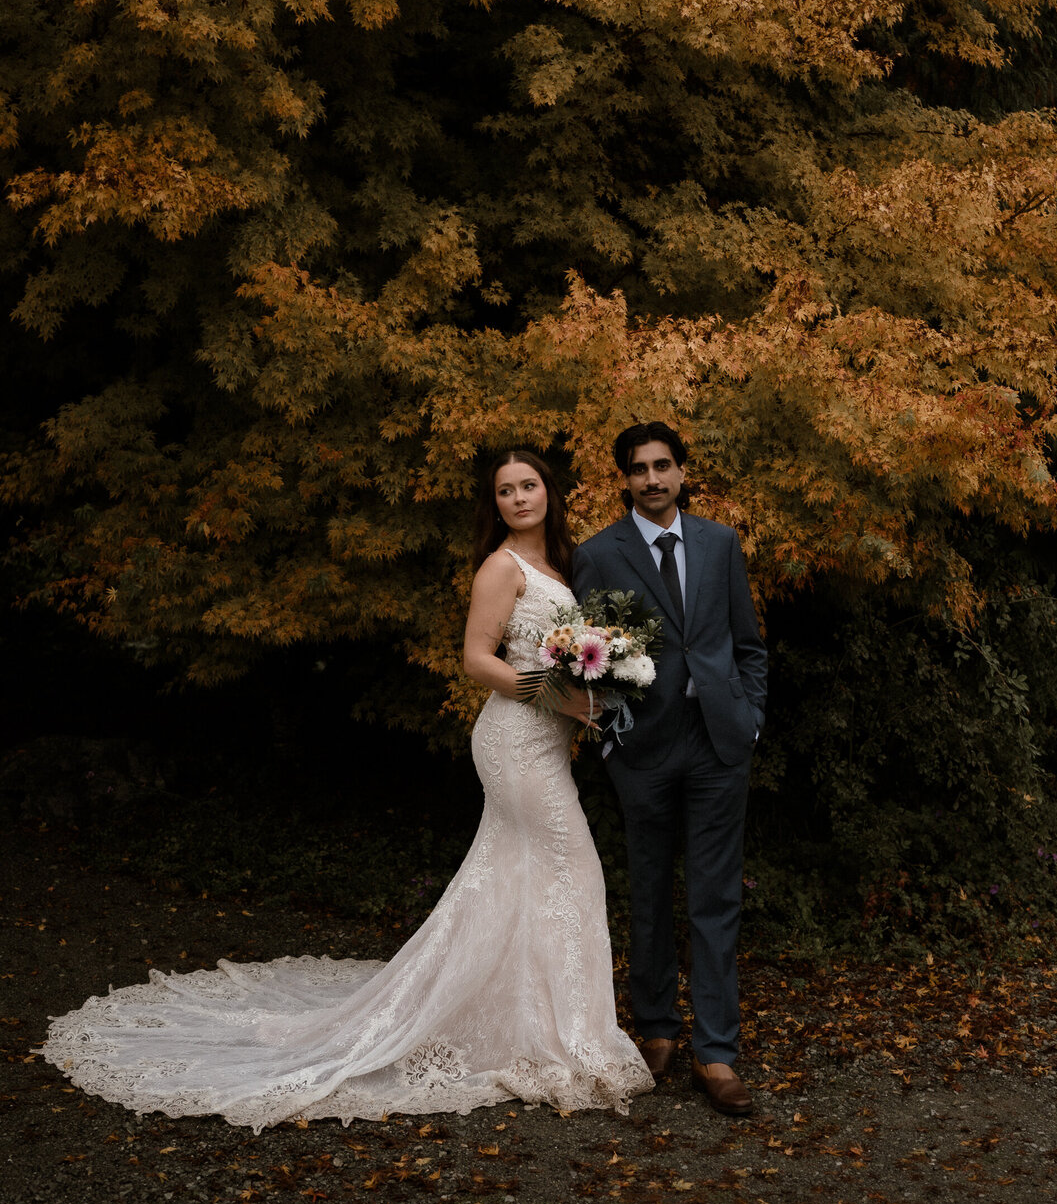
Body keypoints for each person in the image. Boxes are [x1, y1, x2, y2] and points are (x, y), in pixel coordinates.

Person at [39, 449, 653, 1130]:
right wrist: (556, 696)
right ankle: (564, 1036)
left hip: (545, 740)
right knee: (573, 871)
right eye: (505, 490)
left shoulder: (563, 566)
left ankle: (523, 1021)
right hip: (513, 740)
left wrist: (595, 690)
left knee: (522, 878)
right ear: (495, 504)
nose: (518, 498)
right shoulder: (500, 567)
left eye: (528, 485)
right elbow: (475, 657)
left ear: (548, 491)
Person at [572, 422, 767, 1116]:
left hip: (718, 744)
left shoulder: (719, 542)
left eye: (663, 467)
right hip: (642, 751)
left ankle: (716, 1054)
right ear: (624, 480)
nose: (652, 479)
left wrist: (749, 718)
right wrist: (609, 742)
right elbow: (585, 658)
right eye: (638, 470)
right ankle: (655, 1028)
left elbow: (748, 643)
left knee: (715, 898)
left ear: (682, 472)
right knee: (650, 893)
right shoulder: (598, 554)